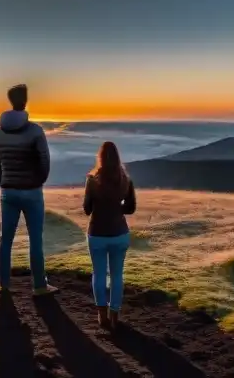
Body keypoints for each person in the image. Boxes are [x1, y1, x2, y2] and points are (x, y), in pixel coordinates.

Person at [0, 83, 57, 296]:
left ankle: (3, 284)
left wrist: (4, 181)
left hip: (8, 192)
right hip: (32, 192)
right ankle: (39, 286)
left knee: (5, 239)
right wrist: (38, 181)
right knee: (36, 239)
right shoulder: (35, 131)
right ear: (25, 101)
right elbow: (45, 162)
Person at [83, 140, 137, 329]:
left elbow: (87, 209)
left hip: (97, 233)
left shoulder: (92, 180)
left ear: (100, 158)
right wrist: (117, 206)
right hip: (119, 233)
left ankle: (102, 316)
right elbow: (130, 208)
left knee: (98, 274)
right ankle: (115, 315)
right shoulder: (125, 180)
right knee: (117, 276)